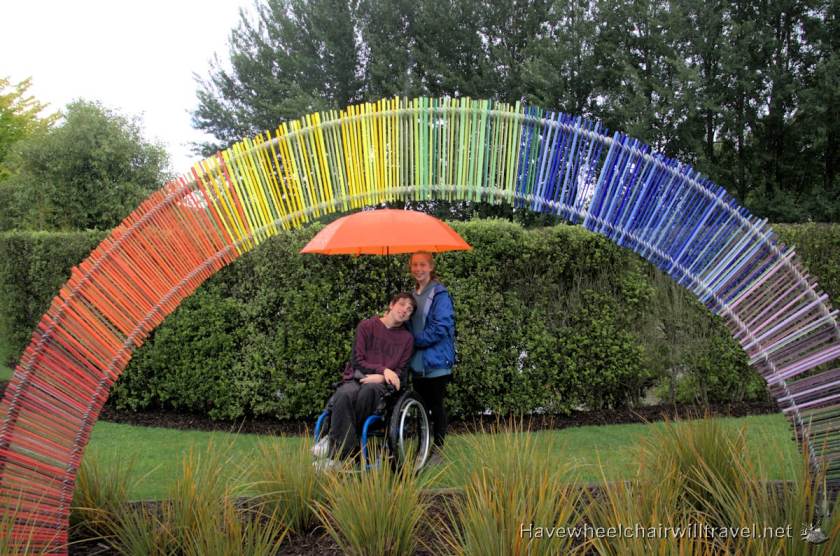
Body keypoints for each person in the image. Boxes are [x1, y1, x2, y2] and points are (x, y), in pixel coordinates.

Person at [322, 292, 416, 462]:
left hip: (381, 385)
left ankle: (336, 448)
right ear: (391, 304)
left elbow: (400, 374)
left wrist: (381, 377)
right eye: (402, 304)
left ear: (409, 317)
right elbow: (357, 361)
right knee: (343, 395)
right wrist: (383, 370)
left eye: (409, 310)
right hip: (357, 376)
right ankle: (348, 451)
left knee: (369, 390)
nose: (404, 310)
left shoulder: (407, 339)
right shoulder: (366, 326)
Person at [408, 252, 456, 462]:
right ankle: (423, 447)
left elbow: (442, 326)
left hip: (436, 362)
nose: (418, 269)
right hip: (417, 363)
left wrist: (414, 341)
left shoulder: (439, 294)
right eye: (415, 265)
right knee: (420, 407)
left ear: (430, 267)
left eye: (422, 265)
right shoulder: (410, 295)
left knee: (436, 406)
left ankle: (439, 450)